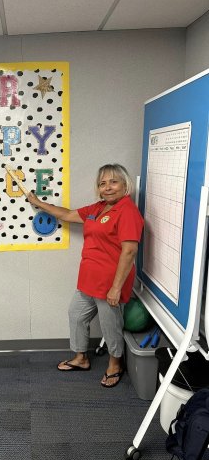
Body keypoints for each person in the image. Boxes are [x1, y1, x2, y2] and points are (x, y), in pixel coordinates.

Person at [27, 163, 144, 388]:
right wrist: (39, 203)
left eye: (113, 182)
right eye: (102, 183)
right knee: (76, 315)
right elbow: (69, 214)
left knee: (111, 326)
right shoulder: (99, 208)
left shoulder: (127, 212)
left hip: (110, 283)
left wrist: (116, 288)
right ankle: (81, 358)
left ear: (125, 185)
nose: (108, 187)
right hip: (88, 280)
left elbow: (129, 251)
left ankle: (115, 364)